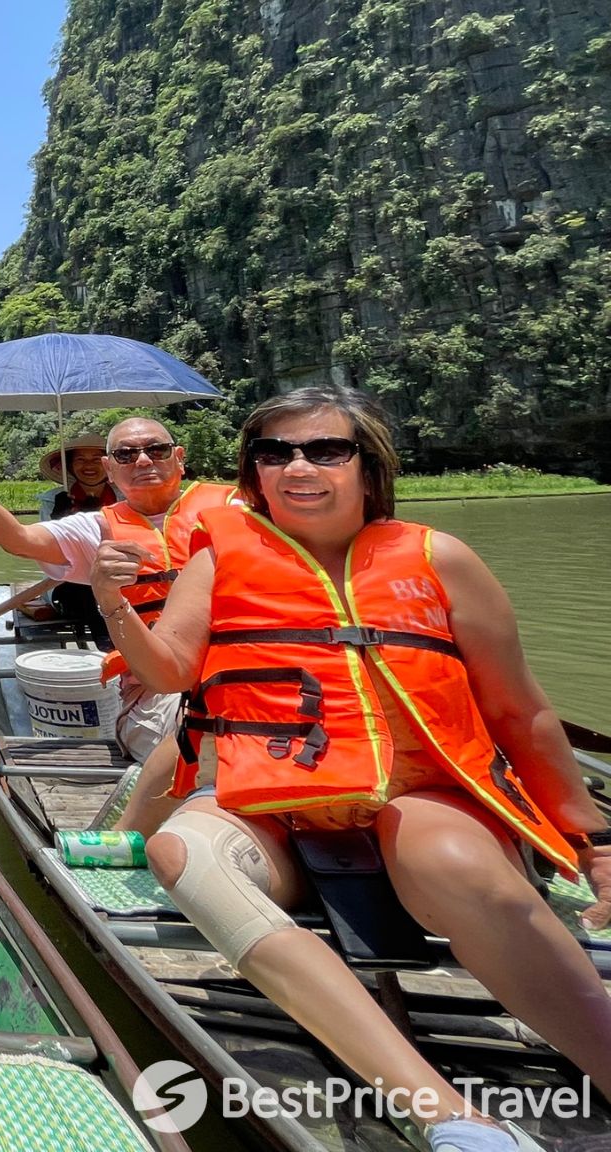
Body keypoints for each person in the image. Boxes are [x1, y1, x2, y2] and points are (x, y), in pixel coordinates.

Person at [100, 387, 611, 1152]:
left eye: (325, 449)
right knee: (182, 850)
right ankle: (450, 1116)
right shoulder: (218, 555)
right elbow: (172, 669)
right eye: (275, 453)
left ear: (368, 470)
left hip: (421, 798)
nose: (297, 466)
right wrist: (112, 601)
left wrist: (595, 842)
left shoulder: (440, 559)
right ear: (254, 474)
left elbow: (521, 715)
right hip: (275, 807)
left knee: (447, 856)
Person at [0, 417, 235, 835]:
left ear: (180, 459)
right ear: (113, 469)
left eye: (157, 450)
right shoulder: (97, 525)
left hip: (240, 673)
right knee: (216, 730)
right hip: (155, 689)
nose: (144, 460)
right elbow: (20, 539)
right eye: (127, 455)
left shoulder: (237, 509)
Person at [37, 432, 116, 521]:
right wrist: (57, 520)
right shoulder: (51, 501)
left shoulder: (127, 497)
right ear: (70, 465)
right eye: (80, 459)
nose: (89, 465)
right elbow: (44, 533)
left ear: (108, 464)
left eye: (96, 459)